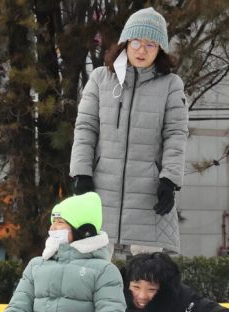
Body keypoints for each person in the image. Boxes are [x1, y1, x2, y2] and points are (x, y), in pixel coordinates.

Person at [69, 7, 189, 256]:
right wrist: (81, 173)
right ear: (125, 42)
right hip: (101, 188)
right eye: (136, 42)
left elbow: (175, 135)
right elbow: (85, 128)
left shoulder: (171, 85)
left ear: (160, 49)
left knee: (147, 271)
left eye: (150, 44)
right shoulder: (100, 79)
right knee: (93, 266)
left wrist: (169, 180)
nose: (141, 50)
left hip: (148, 191)